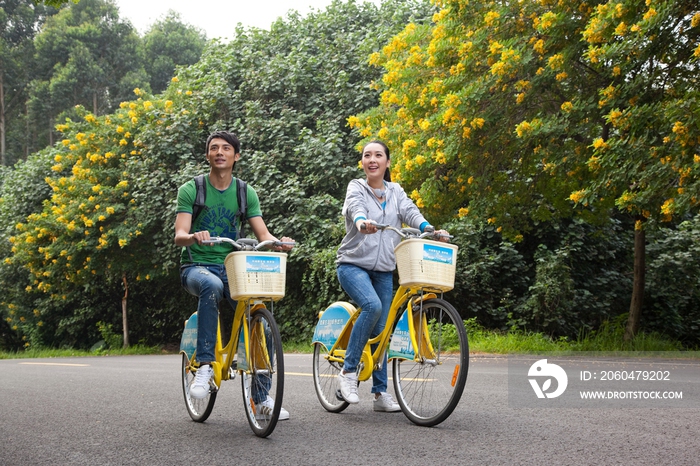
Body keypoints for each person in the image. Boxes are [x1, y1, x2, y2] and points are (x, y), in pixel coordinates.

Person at [174, 130, 293, 420]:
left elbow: (262, 233)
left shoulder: (244, 191)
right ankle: (204, 366)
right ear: (208, 156)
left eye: (226, 148)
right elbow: (179, 235)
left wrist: (278, 242)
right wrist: (193, 237)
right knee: (211, 285)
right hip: (195, 266)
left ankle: (261, 399)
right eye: (214, 148)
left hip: (232, 266)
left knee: (259, 317)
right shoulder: (192, 189)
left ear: (235, 156)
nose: (219, 152)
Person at [335, 140, 450, 412]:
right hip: (352, 264)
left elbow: (410, 211)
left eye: (378, 155)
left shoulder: (395, 190)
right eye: (367, 155)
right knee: (372, 306)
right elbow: (354, 207)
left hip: (384, 270)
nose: (372, 159)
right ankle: (348, 372)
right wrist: (362, 221)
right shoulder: (357, 187)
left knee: (383, 330)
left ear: (387, 162)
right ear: (362, 163)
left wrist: (429, 228)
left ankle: (380, 394)